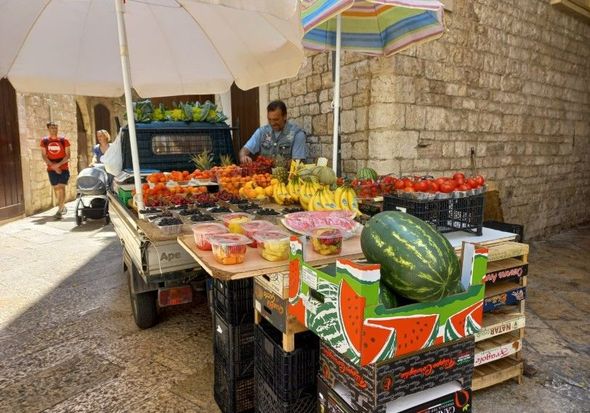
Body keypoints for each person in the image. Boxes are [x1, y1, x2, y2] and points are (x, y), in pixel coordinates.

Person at [239, 100, 307, 164]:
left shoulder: (297, 134)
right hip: (263, 176)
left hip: (287, 176)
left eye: (276, 119)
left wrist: (273, 163)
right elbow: (244, 150)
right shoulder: (261, 132)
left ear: (285, 116)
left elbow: (298, 162)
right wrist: (243, 156)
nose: (272, 123)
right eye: (269, 119)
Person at [40, 121, 71, 219]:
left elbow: (68, 155)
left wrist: (58, 165)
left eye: (56, 127)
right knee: (56, 188)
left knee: (61, 187)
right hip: (51, 168)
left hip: (63, 167)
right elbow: (44, 156)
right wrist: (53, 166)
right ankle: (61, 206)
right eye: (52, 127)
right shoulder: (44, 141)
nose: (54, 129)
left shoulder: (64, 140)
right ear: (48, 129)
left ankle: (60, 209)